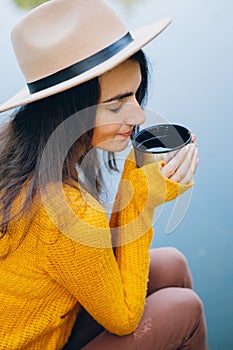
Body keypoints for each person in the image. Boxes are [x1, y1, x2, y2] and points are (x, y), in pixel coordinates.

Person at [0, 0, 208, 349]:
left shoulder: (19, 160)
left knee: (171, 264)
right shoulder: (59, 210)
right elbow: (123, 319)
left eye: (136, 94)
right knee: (182, 308)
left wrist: (136, 179)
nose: (140, 116)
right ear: (68, 110)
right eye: (116, 104)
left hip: (49, 324)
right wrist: (142, 198)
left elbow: (82, 251)